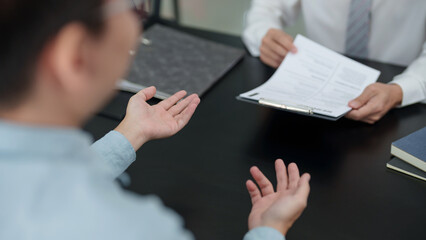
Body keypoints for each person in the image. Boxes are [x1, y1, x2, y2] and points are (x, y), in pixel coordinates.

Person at [0, 0, 311, 239]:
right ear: (75, 55)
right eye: (130, 7)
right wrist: (269, 229)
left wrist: (128, 134)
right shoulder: (137, 229)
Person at [243, 0, 426, 124]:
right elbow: (264, 10)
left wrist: (400, 91)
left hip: (398, 109)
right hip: (311, 98)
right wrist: (264, 36)